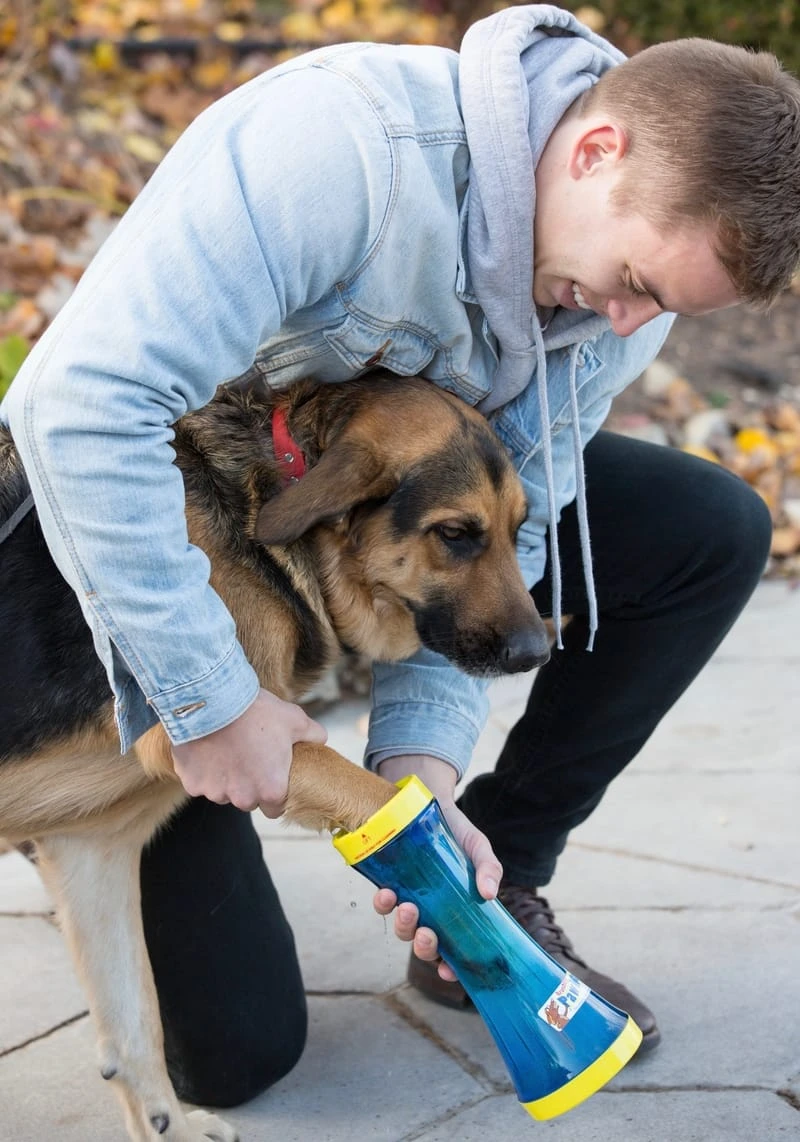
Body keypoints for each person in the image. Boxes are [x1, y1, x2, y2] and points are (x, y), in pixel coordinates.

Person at [3, 2, 798, 1108]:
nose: (623, 325)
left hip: (349, 544)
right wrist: (208, 701)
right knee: (238, 1056)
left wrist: (413, 782)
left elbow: (489, 541)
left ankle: (486, 888)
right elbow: (77, 407)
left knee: (705, 527)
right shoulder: (342, 148)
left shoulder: (617, 294)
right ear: (595, 148)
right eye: (633, 281)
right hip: (135, 556)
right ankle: (90, 796)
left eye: (656, 306)